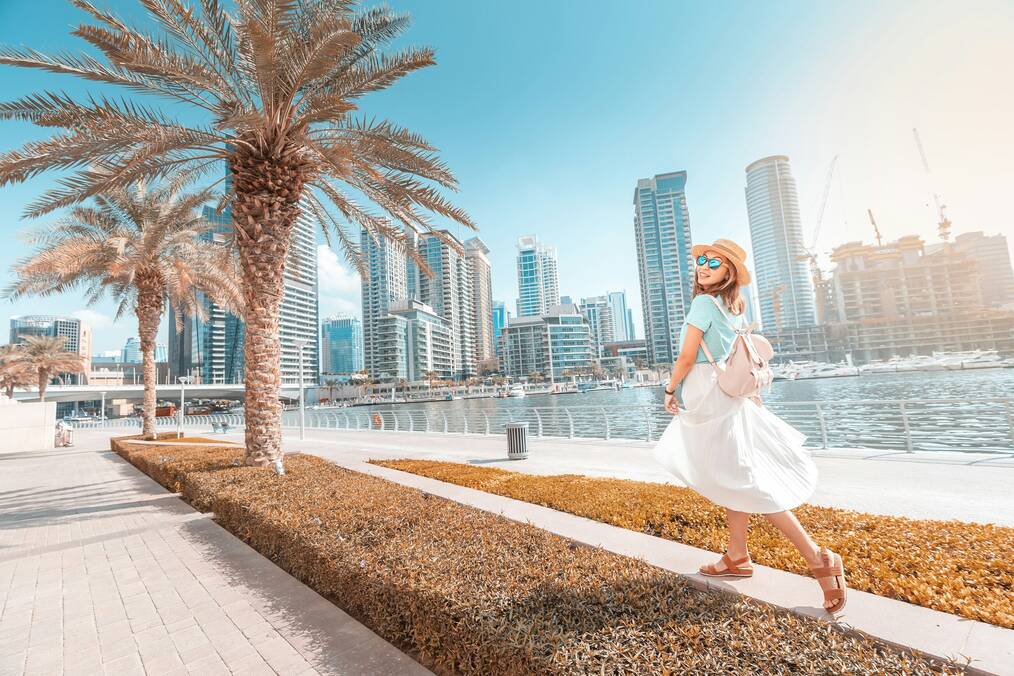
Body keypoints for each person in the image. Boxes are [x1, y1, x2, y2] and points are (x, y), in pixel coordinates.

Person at [653, 238, 847, 614]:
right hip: (727, 397)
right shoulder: (733, 307)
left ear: (729, 271)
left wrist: (669, 388)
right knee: (732, 477)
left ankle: (818, 558)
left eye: (714, 262)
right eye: (702, 260)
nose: (704, 266)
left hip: (711, 399)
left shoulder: (702, 304)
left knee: (745, 482)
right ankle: (737, 556)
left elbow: (687, 356)